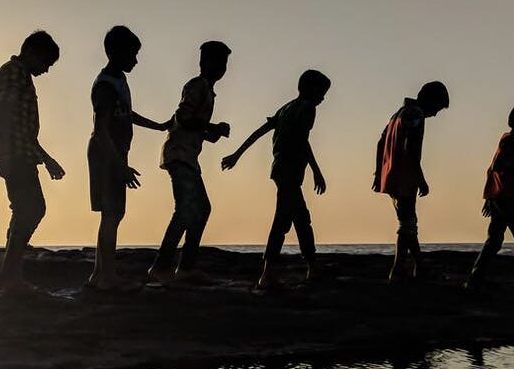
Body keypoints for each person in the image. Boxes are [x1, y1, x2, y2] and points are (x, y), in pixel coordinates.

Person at [222, 69, 331, 289]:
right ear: (309, 89)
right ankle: (268, 273)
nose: (323, 98)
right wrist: (316, 171)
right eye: (321, 92)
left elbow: (259, 132)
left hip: (280, 169)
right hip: (290, 170)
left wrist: (237, 154)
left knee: (300, 218)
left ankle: (311, 266)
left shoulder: (285, 109)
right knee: (283, 220)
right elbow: (302, 140)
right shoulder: (306, 108)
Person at [86, 26, 170, 291]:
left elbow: (127, 114)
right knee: (112, 213)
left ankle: (100, 274)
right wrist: (119, 165)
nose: (135, 60)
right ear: (116, 52)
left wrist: (157, 126)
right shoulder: (105, 86)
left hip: (114, 153)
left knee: (112, 214)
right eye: (132, 54)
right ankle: (107, 276)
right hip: (105, 153)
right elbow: (101, 130)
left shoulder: (119, 81)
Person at [147, 41, 231, 285]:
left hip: (188, 156)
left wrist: (211, 133)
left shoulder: (208, 90)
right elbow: (183, 118)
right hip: (179, 155)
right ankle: (161, 267)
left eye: (224, 64)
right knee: (185, 210)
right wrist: (211, 127)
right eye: (217, 62)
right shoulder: (197, 86)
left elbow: (193, 125)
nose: (222, 68)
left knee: (201, 209)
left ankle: (186, 267)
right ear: (204, 63)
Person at [0, 31, 65, 295]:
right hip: (16, 153)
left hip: (22, 151)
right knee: (32, 208)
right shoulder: (14, 73)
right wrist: (6, 153)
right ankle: (8, 274)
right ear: (32, 53)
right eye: (46, 63)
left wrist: (46, 159)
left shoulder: (20, 75)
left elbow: (25, 130)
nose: (46, 70)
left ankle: (8, 270)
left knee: (24, 209)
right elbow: (4, 114)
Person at [464, 102, 514, 294]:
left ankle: (474, 280)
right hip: (507, 198)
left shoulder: (507, 139)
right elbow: (499, 166)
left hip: (499, 197)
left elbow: (491, 168)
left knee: (494, 240)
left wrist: (489, 197)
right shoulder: (510, 141)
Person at [373, 81, 449, 282]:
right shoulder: (415, 114)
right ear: (431, 101)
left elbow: (381, 142)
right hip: (404, 176)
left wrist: (378, 173)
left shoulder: (398, 113)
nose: (436, 114)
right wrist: (420, 177)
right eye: (437, 108)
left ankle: (418, 266)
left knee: (408, 223)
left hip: (390, 174)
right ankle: (398, 270)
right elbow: (411, 148)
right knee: (407, 223)